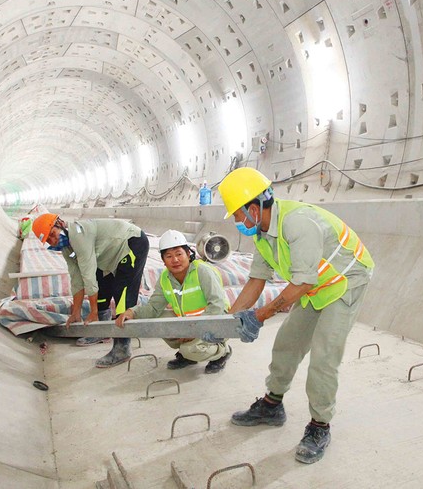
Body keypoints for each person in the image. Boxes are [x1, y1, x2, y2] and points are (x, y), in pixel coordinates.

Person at [219, 167, 374, 464]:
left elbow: (302, 282)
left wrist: (261, 315)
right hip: (315, 287)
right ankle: (272, 405)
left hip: (345, 282)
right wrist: (227, 321)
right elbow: (255, 281)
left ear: (253, 208)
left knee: (324, 358)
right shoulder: (264, 236)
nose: (237, 221)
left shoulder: (297, 223)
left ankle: (319, 426)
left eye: (237, 215)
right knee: (288, 343)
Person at [31, 213, 149, 368]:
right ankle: (101, 330)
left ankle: (122, 347)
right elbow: (76, 278)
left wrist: (92, 312)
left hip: (131, 243)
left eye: (53, 234)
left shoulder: (79, 235)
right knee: (102, 290)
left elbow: (88, 275)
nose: (53, 241)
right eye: (48, 240)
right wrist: (76, 312)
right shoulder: (67, 247)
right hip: (109, 254)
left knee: (123, 294)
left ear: (59, 223)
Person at [115, 230, 231, 373]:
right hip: (189, 322)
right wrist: (132, 312)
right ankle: (189, 356)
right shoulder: (165, 278)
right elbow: (153, 307)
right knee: (158, 322)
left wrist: (193, 331)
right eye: (169, 256)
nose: (175, 260)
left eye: (178, 254)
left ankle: (221, 352)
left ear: (188, 254)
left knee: (190, 348)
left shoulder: (203, 271)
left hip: (217, 322)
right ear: (163, 260)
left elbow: (217, 306)